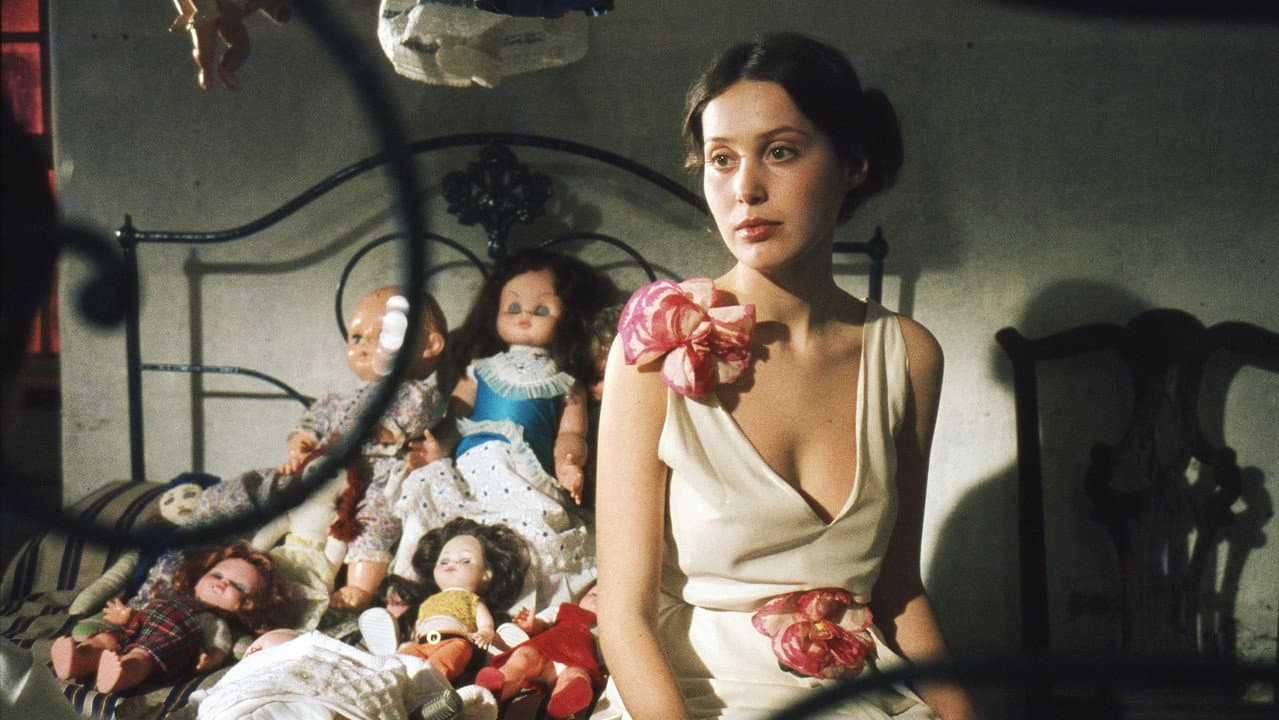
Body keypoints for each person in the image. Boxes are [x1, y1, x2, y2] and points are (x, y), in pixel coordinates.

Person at [594, 33, 980, 720]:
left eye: (780, 151)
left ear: (852, 163)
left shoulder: (908, 355)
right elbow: (623, 616)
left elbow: (897, 591)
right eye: (721, 159)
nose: (745, 190)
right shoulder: (653, 346)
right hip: (691, 702)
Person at [393, 250, 616, 608]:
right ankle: (407, 593)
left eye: (541, 310)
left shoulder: (565, 383)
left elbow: (570, 435)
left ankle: (514, 611)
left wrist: (569, 462)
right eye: (513, 308)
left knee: (527, 535)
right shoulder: (478, 370)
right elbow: (454, 420)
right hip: (468, 472)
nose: (525, 315)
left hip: (522, 477)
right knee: (425, 492)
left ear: (569, 319)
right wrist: (438, 447)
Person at [282, 286, 449, 611]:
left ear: (430, 345)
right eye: (357, 338)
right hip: (329, 473)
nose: (363, 347)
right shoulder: (338, 399)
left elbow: (401, 425)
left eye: (383, 337)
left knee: (374, 520)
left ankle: (359, 588)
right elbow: (312, 422)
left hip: (379, 477)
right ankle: (282, 567)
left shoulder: (417, 394)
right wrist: (300, 445)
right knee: (285, 497)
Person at [49, 544, 298, 694]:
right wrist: (125, 617)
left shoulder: (216, 621)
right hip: (138, 627)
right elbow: (141, 615)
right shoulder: (168, 597)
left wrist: (210, 660)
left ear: (249, 607)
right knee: (107, 639)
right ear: (199, 578)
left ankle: (121, 673)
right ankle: (80, 658)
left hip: (169, 641)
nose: (223, 583)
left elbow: (223, 646)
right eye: (217, 575)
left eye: (239, 587)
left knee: (145, 654)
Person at [360, 517, 530, 683]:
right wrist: (410, 642)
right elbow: (419, 626)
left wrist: (485, 633)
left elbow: (486, 624)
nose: (451, 563)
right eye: (444, 560)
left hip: (454, 642)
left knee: (449, 658)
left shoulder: (472, 600)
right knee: (405, 658)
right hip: (422, 644)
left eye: (465, 560)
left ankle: (429, 685)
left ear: (486, 574)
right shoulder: (428, 602)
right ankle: (389, 674)